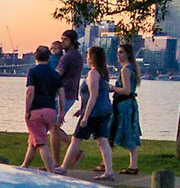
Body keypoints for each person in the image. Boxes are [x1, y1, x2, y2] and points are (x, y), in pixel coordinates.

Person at [54, 46, 114, 179]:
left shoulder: (93, 73)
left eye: (88, 55)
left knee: (76, 139)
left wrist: (85, 116)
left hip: (94, 113)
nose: (86, 57)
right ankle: (109, 171)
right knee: (102, 140)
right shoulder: (102, 73)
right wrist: (81, 109)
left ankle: (63, 168)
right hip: (102, 111)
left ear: (92, 57)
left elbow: (93, 95)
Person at [20, 45, 64, 172]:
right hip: (51, 111)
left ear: (35, 56)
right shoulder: (55, 75)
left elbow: (30, 91)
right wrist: (60, 113)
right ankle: (25, 166)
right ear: (49, 58)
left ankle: (51, 171)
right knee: (33, 140)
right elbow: (61, 95)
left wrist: (27, 110)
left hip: (37, 111)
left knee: (41, 143)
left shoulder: (33, 72)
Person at [108, 42, 142, 174]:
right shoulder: (131, 68)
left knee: (126, 132)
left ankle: (133, 165)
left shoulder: (126, 70)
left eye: (121, 52)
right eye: (118, 52)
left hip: (124, 105)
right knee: (117, 131)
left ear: (127, 54)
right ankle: (110, 162)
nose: (118, 55)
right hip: (127, 104)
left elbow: (127, 90)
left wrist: (112, 88)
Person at [51, 29, 84, 166]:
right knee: (53, 127)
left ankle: (56, 163)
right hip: (70, 93)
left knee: (53, 127)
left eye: (65, 39)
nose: (62, 41)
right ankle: (57, 161)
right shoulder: (77, 55)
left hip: (64, 94)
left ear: (72, 41)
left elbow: (57, 75)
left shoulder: (68, 57)